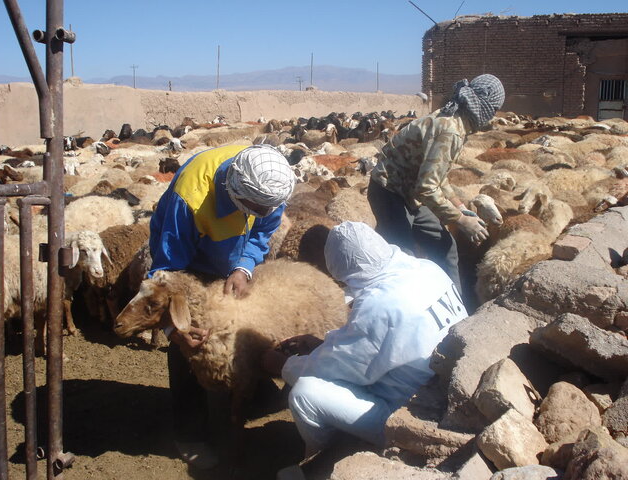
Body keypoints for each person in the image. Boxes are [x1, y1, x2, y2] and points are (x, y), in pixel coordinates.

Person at [261, 221, 467, 461]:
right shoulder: (426, 268)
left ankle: (319, 462)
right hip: (450, 386)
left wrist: (284, 366)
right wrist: (323, 343)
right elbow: (383, 342)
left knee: (306, 393)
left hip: (416, 412)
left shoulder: (379, 304)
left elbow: (333, 370)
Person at [149, 143, 295, 469]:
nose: (265, 212)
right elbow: (167, 275)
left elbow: (262, 231)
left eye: (267, 208)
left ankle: (251, 391)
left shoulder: (267, 178)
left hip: (230, 258)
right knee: (191, 344)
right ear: (235, 192)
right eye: (255, 208)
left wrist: (243, 267)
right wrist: (173, 328)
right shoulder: (188, 200)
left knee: (240, 323)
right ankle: (189, 432)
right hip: (189, 263)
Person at [367, 74, 505, 291]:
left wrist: (459, 207)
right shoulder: (450, 130)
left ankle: (453, 307)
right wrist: (460, 220)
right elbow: (427, 187)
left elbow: (437, 177)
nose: (493, 115)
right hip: (389, 192)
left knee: (445, 247)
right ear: (486, 107)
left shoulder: (457, 123)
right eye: (495, 109)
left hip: (411, 194)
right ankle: (401, 307)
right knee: (403, 256)